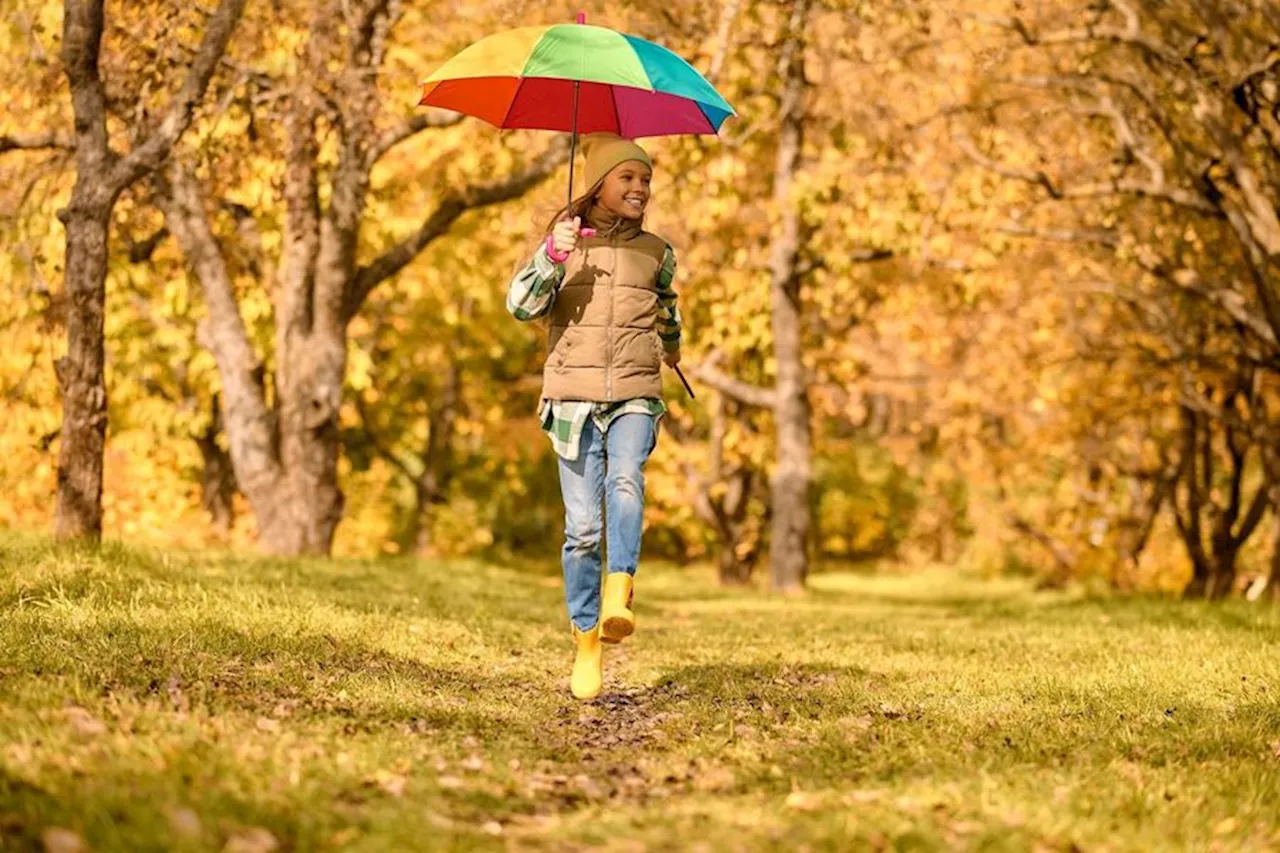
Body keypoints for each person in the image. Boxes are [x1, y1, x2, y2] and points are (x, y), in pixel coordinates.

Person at [506, 132, 682, 700]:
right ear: (599, 185)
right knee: (581, 530)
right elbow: (520, 306)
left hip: (635, 390)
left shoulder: (656, 251)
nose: (640, 188)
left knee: (627, 479)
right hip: (571, 398)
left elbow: (668, 307)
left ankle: (618, 591)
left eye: (646, 179)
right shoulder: (563, 245)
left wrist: (673, 348)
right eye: (628, 177)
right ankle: (586, 640)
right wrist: (552, 256)